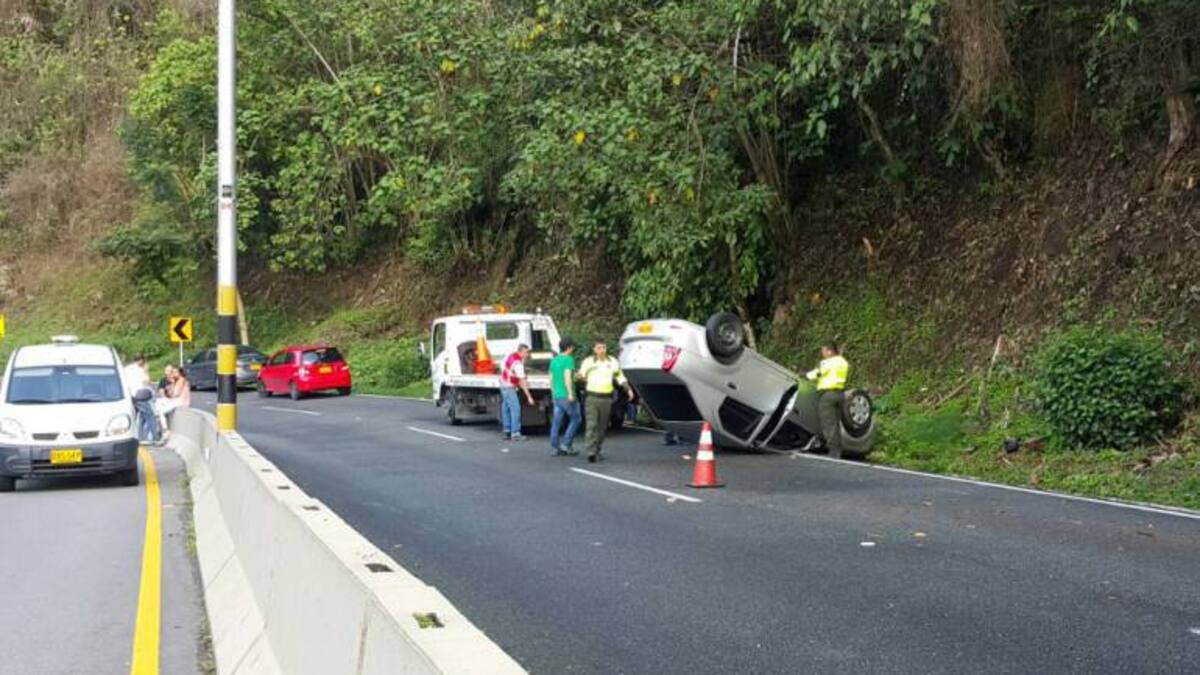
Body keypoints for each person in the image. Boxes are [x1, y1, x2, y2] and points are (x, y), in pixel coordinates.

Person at [578, 340, 632, 463]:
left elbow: (620, 377)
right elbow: (580, 375)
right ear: (594, 349)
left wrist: (628, 390)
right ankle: (590, 452)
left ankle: (597, 449)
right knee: (592, 425)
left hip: (606, 399)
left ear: (606, 349)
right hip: (592, 398)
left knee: (602, 427)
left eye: (603, 347)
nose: (601, 350)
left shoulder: (612, 361)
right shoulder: (588, 362)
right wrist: (581, 376)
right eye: (598, 348)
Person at [805, 341, 849, 459]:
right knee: (835, 424)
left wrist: (806, 376)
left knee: (828, 424)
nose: (822, 353)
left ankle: (833, 452)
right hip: (840, 394)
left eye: (823, 351)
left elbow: (819, 373)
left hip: (827, 395)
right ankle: (837, 450)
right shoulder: (843, 362)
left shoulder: (828, 362)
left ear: (830, 351)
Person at [548, 339, 582, 456]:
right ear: (569, 347)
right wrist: (570, 393)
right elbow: (567, 377)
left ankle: (554, 447)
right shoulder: (568, 360)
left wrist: (553, 394)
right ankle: (566, 444)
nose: (573, 349)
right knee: (576, 419)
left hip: (557, 395)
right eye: (572, 347)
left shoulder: (554, 360)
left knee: (556, 422)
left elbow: (551, 379)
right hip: (566, 395)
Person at [123, 355, 162, 445]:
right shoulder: (140, 370)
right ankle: (155, 438)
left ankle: (139, 437)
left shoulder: (126, 369)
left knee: (141, 417)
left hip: (130, 395)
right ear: (141, 361)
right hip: (140, 394)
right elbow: (147, 381)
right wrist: (146, 371)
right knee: (150, 415)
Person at [499, 344, 535, 441]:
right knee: (515, 408)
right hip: (509, 386)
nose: (527, 354)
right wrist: (529, 397)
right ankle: (515, 433)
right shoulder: (518, 363)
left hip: (503, 383)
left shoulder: (512, 356)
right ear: (521, 351)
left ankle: (507, 431)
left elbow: (505, 367)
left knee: (506, 408)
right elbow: (522, 381)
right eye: (526, 352)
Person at [156, 365, 192, 431]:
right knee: (158, 403)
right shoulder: (175, 381)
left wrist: (171, 386)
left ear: (180, 373)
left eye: (175, 372)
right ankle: (163, 428)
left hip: (181, 402)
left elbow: (176, 394)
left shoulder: (181, 380)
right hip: (176, 401)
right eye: (173, 372)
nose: (173, 374)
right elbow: (170, 394)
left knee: (161, 411)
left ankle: (164, 429)